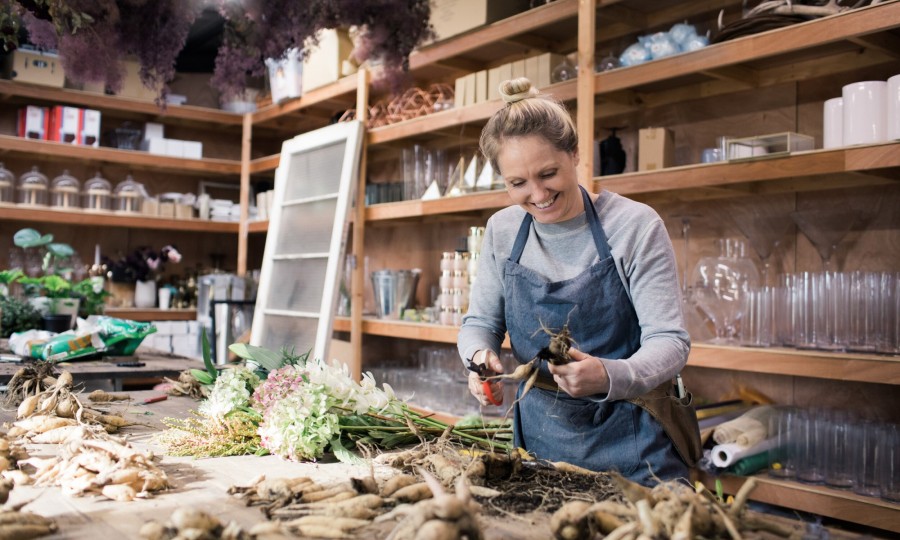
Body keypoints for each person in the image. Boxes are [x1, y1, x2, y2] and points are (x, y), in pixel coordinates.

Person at [457, 77, 700, 485]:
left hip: (636, 447)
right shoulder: (502, 231)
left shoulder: (634, 226)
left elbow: (671, 341)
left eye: (548, 173)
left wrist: (609, 374)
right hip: (538, 448)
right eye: (517, 183)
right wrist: (480, 360)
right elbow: (479, 323)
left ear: (575, 155)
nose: (537, 194)